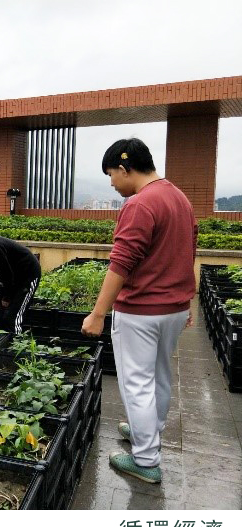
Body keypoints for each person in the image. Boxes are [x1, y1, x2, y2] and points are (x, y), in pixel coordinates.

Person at [81, 138, 196, 484]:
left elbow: (121, 262)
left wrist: (98, 313)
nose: (112, 183)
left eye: (111, 175)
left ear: (125, 168)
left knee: (137, 383)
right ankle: (146, 433)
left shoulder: (140, 204)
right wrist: (186, 300)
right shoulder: (179, 198)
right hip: (173, 308)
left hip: (141, 310)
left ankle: (145, 459)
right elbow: (188, 252)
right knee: (159, 376)